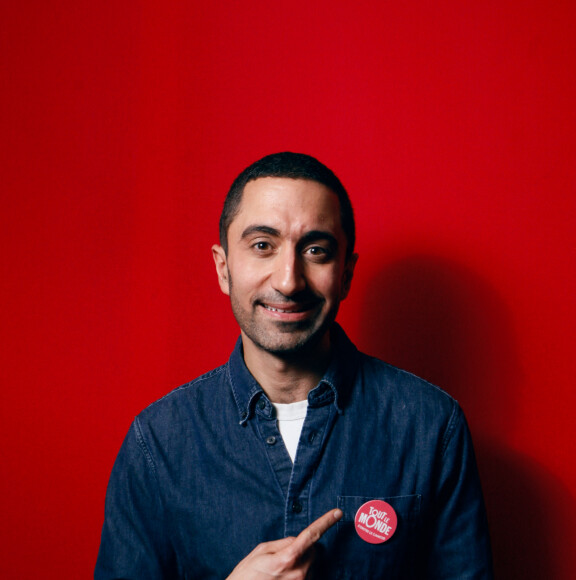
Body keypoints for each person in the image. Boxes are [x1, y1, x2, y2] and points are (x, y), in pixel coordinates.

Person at [95, 152, 493, 579]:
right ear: (223, 268)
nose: (289, 280)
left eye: (316, 250)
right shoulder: (157, 442)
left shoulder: (432, 427)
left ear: (346, 274)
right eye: (263, 246)